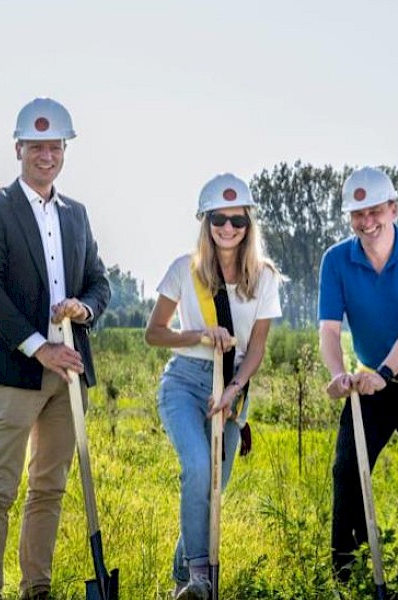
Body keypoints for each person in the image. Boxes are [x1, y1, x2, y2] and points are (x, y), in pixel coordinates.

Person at [0, 97, 112, 600]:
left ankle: (37, 590)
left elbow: (99, 282)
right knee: (0, 490)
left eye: (55, 146)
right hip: (12, 371)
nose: (46, 155)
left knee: (48, 489)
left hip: (68, 375)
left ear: (64, 150)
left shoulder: (78, 215)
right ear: (18, 148)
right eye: (36, 146)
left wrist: (83, 309)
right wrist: (36, 346)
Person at [144, 173, 282, 599]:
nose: (228, 228)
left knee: (213, 486)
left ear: (248, 225)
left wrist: (235, 390)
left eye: (237, 221)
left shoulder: (264, 278)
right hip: (185, 382)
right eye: (219, 219)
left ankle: (183, 581)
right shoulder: (184, 270)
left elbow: (256, 349)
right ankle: (201, 577)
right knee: (199, 469)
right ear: (206, 222)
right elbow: (154, 333)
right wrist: (201, 335)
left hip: (232, 387)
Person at [318, 166, 398, 583]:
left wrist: (386, 371)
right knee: (346, 468)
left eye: (375, 210)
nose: (367, 222)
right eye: (358, 214)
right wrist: (339, 374)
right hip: (368, 379)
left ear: (394, 208)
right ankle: (346, 569)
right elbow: (330, 330)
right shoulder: (336, 260)